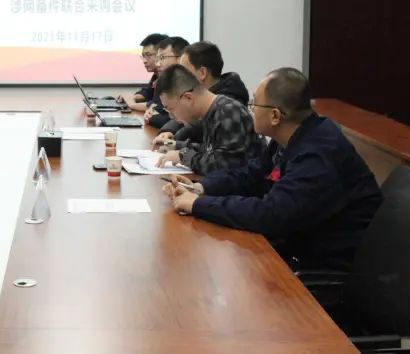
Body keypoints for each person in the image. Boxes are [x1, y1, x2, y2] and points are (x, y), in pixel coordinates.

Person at [163, 67, 383, 271]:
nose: (250, 110)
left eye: (254, 104)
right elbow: (253, 175)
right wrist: (201, 188)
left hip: (328, 265)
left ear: (275, 116)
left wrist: (199, 205)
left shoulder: (317, 154)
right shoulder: (290, 137)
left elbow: (272, 214)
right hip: (302, 244)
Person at [150, 64, 262, 175]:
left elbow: (224, 166)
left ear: (188, 98)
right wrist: (174, 145)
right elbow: (210, 150)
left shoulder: (229, 112)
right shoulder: (212, 111)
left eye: (171, 109)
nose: (171, 116)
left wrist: (183, 156)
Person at [156, 41, 249, 140]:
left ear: (202, 72)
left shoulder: (229, 104)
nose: (180, 75)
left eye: (184, 70)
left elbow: (197, 128)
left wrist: (175, 140)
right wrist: (167, 131)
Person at [116, 33, 168, 113]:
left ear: (161, 54)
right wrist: (133, 97)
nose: (144, 61)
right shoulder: (156, 75)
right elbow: (149, 92)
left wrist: (132, 105)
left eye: (148, 55)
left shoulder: (169, 77)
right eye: (143, 56)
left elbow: (158, 106)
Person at [144, 36, 189, 127]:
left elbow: (183, 122)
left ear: (180, 58)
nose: (157, 64)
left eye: (162, 57)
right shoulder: (167, 82)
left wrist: (154, 118)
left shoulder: (190, 86)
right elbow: (158, 108)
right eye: (158, 58)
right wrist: (150, 112)